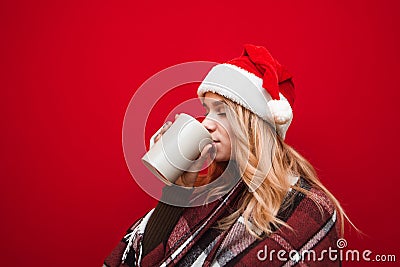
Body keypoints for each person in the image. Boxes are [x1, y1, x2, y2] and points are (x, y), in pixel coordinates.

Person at [104, 44, 354, 266]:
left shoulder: (308, 209)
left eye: (222, 112)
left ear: (255, 123)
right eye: (207, 111)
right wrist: (176, 192)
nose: (207, 123)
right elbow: (141, 258)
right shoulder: (208, 194)